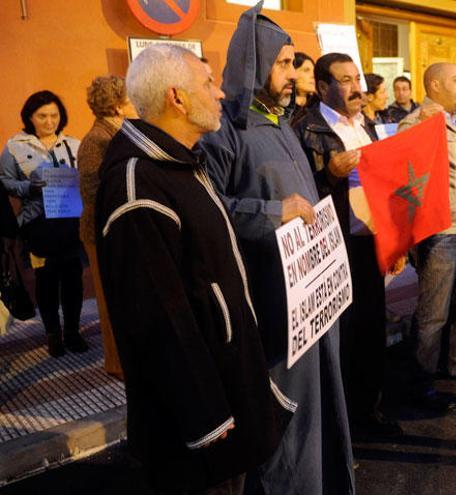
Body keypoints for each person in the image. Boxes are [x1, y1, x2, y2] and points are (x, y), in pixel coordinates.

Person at [95, 43, 286, 494]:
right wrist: (208, 420)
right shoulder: (138, 184)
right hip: (197, 429)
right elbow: (159, 320)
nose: (219, 93)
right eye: (208, 83)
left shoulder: (182, 165)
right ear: (177, 98)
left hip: (228, 391)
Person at [199, 5, 354, 494]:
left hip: (310, 304)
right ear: (254, 60)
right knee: (284, 425)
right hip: (271, 309)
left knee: (321, 411)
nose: (294, 75)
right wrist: (269, 213)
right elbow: (208, 211)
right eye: (285, 63)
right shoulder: (224, 129)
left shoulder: (281, 122)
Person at [293, 53, 405, 437]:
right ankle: (337, 424)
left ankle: (367, 412)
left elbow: (385, 185)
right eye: (345, 80)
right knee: (341, 338)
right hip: (334, 248)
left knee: (371, 332)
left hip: (370, 243)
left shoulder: (366, 124)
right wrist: (329, 175)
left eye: (356, 78)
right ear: (323, 87)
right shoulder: (305, 130)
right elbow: (299, 194)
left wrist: (395, 239)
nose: (357, 87)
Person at [398, 62, 456, 409]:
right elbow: (404, 168)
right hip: (441, 232)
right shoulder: (418, 120)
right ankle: (421, 385)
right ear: (434, 85)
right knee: (433, 313)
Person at [1, 91, 85, 358]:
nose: (50, 122)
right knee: (46, 280)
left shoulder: (74, 143)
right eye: (42, 116)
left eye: (54, 115)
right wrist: (29, 186)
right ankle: (53, 335)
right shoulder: (15, 145)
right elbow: (5, 181)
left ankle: (73, 331)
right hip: (38, 223)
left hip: (71, 220)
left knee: (73, 279)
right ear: (30, 117)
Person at [77, 75, 137, 376]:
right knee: (109, 299)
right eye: (129, 97)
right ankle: (116, 363)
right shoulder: (95, 141)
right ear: (116, 106)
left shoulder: (115, 134)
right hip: (99, 233)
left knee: (123, 296)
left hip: (114, 231)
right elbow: (92, 194)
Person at [290, 51, 316, 124]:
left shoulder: (318, 106)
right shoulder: (281, 109)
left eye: (314, 71)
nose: (313, 76)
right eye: (306, 70)